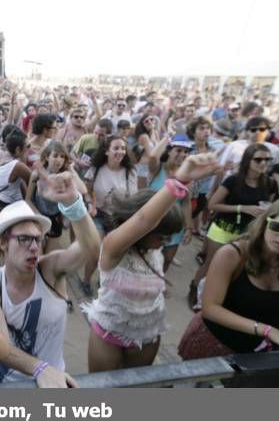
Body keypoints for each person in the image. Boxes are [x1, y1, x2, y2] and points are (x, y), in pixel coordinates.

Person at [83, 153, 222, 372]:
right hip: (108, 333)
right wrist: (180, 180)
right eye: (161, 236)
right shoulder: (113, 249)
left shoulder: (154, 251)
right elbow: (144, 220)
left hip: (148, 335)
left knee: (136, 389)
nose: (165, 243)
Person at [0, 165, 100, 386]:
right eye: (25, 239)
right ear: (3, 242)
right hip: (8, 381)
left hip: (53, 382)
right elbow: (2, 348)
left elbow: (91, 249)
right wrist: (40, 368)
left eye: (37, 239)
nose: (34, 247)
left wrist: (72, 203)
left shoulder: (50, 271)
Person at [179, 204, 279, 385]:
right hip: (214, 345)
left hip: (252, 355)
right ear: (265, 223)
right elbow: (210, 308)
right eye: (277, 227)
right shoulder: (233, 254)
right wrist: (267, 330)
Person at [188, 144, 278, 309]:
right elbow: (213, 204)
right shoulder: (234, 180)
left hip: (249, 232)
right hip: (224, 227)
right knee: (211, 263)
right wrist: (242, 208)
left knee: (238, 267)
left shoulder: (270, 184)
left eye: (267, 159)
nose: (263, 163)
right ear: (247, 161)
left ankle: (218, 297)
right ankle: (194, 288)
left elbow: (272, 209)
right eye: (258, 159)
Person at [82, 135, 138, 295]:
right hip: (98, 214)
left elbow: (133, 199)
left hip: (118, 218)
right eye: (116, 148)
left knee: (111, 254)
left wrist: (119, 201)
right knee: (95, 251)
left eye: (123, 148)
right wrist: (90, 204)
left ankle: (103, 281)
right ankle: (86, 281)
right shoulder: (97, 168)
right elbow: (87, 191)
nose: (120, 151)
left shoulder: (130, 171)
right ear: (106, 151)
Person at [148, 134, 194, 272]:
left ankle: (159, 285)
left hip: (175, 222)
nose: (183, 154)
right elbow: (152, 157)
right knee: (147, 256)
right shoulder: (157, 169)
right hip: (153, 221)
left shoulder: (187, 175)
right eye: (178, 150)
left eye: (186, 152)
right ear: (169, 150)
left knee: (167, 258)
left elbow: (186, 202)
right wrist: (166, 138)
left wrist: (189, 227)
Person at [0, 127, 31, 210]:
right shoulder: (17, 166)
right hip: (10, 206)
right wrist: (23, 157)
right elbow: (33, 181)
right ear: (18, 149)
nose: (29, 149)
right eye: (27, 146)